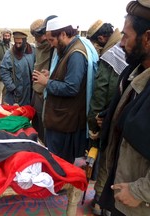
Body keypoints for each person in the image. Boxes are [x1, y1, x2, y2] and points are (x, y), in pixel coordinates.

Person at [98, 1, 150, 215]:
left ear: (147, 38)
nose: (120, 44)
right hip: (123, 193)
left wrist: (141, 192)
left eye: (126, 36)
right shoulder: (135, 72)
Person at [32, 17, 99, 164]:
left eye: (51, 40)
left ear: (62, 34)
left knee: (60, 163)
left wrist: (46, 83)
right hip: (62, 120)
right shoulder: (70, 49)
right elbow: (69, 78)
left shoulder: (76, 54)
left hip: (65, 122)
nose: (51, 45)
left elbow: (72, 88)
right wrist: (53, 76)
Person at [86, 20, 128, 215]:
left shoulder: (112, 55)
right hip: (129, 116)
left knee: (107, 159)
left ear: (101, 39)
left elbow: (101, 92)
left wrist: (94, 123)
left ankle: (100, 201)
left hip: (112, 118)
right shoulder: (129, 50)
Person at [29, 17, 56, 143]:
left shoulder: (50, 45)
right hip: (37, 89)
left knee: (43, 123)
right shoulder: (40, 46)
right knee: (36, 121)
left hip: (45, 89)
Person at [0, 31, 36, 106]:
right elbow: (4, 71)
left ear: (25, 41)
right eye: (16, 43)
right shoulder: (10, 54)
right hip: (16, 94)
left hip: (30, 92)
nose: (18, 46)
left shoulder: (32, 51)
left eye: (20, 43)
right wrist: (12, 87)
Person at [0, 28, 13, 104]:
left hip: (8, 77)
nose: (7, 37)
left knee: (6, 98)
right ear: (2, 36)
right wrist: (5, 65)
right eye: (5, 36)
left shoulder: (11, 46)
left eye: (8, 36)